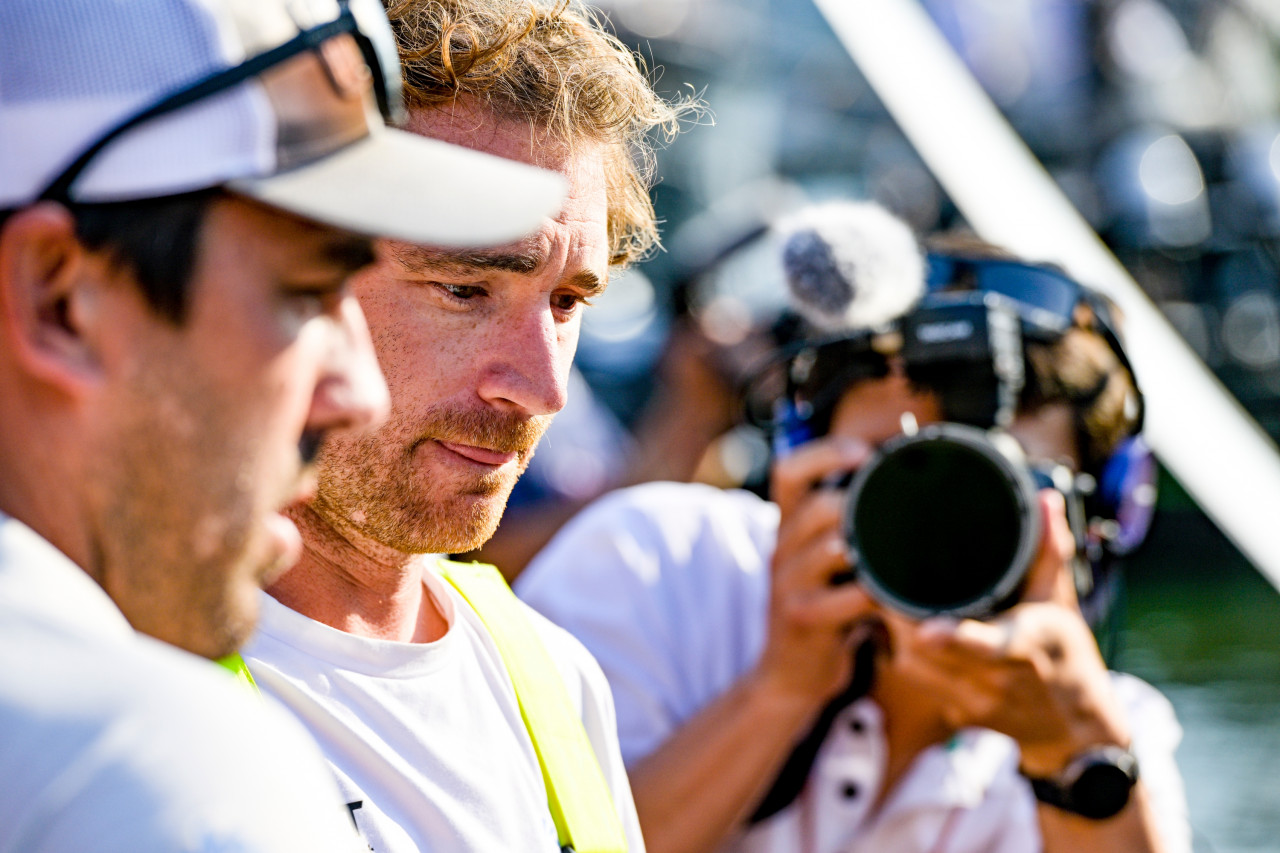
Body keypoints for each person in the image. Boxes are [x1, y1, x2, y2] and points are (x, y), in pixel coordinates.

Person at [0, 0, 566, 848]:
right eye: (305, 294)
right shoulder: (146, 771)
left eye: (569, 302)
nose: (355, 392)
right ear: (58, 301)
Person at [517, 202, 1190, 853]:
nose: (938, 527)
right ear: (803, 462)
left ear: (1097, 514)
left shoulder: (1115, 734)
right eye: (899, 471)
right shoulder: (655, 566)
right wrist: (781, 688)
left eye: (990, 487)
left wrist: (1074, 754)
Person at [237, 0, 691, 850]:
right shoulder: (104, 674)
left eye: (568, 302)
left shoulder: (553, 679)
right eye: (464, 289)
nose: (543, 388)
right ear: (290, 273)